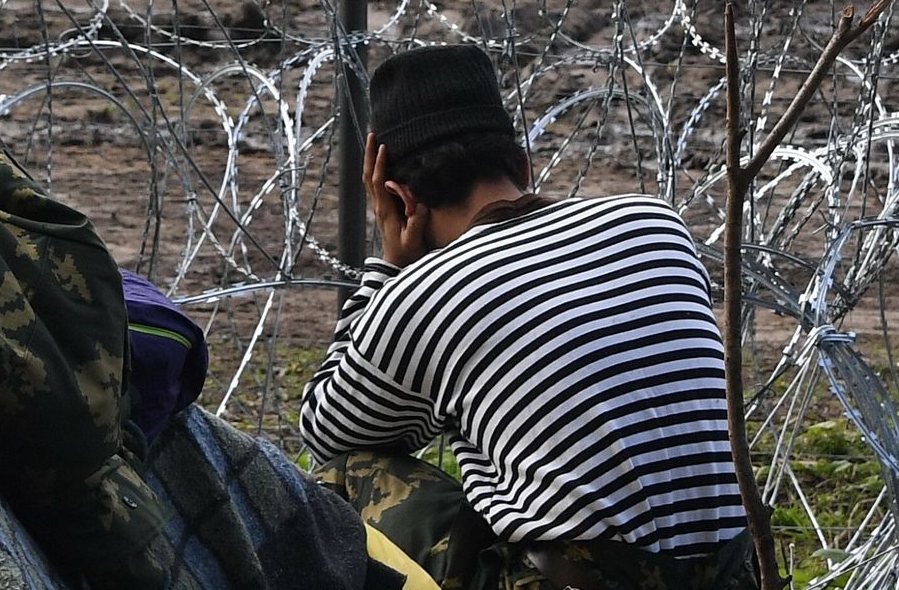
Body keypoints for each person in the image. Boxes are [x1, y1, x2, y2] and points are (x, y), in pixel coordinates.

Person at [300, 44, 758, 589]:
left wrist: (389, 270)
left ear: (397, 198)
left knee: (346, 477)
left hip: (581, 582)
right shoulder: (654, 221)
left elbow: (330, 434)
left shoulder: (425, 291)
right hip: (733, 571)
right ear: (523, 165)